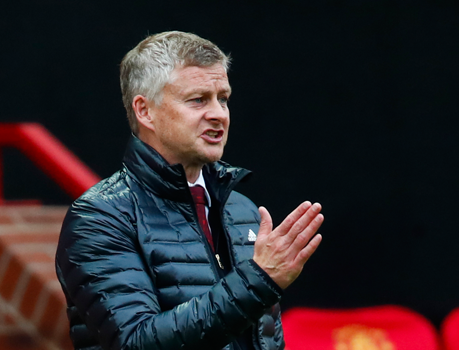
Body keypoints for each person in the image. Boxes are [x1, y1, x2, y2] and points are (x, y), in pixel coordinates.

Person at [55, 31, 324, 350]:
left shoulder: (242, 211)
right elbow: (136, 343)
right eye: (198, 99)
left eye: (223, 98)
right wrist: (258, 279)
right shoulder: (100, 218)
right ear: (145, 111)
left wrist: (258, 281)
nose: (218, 114)